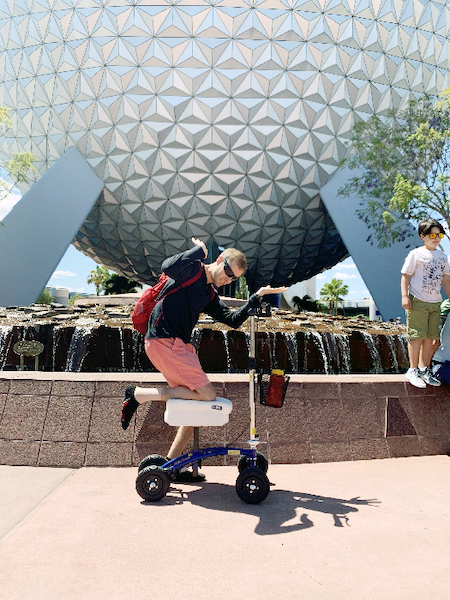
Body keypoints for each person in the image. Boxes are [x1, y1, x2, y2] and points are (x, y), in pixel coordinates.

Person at [121, 237, 288, 478]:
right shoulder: (193, 270)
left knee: (196, 407)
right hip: (164, 341)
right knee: (207, 395)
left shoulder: (208, 294)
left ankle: (171, 465)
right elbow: (167, 267)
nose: (228, 279)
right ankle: (137, 394)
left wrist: (255, 298)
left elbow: (231, 320)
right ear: (219, 260)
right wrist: (198, 251)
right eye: (228, 271)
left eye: (233, 278)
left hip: (177, 347)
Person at [401, 218, 450, 388]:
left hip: (435, 303)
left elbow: (446, 281)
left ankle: (424, 370)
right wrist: (404, 296)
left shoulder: (443, 257)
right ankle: (413, 370)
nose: (436, 238)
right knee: (416, 336)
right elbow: (405, 276)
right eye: (432, 235)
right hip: (418, 301)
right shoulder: (416, 254)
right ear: (422, 236)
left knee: (430, 338)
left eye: (439, 234)